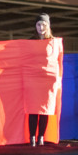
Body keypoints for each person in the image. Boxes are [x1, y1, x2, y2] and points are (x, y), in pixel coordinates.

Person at [27, 13, 55, 147]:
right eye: (38, 24)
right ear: (35, 26)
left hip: (47, 81)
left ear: (48, 26)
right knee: (33, 108)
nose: (41, 27)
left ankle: (41, 137)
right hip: (33, 79)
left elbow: (57, 61)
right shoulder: (30, 41)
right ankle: (32, 137)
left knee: (45, 109)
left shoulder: (53, 42)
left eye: (44, 24)